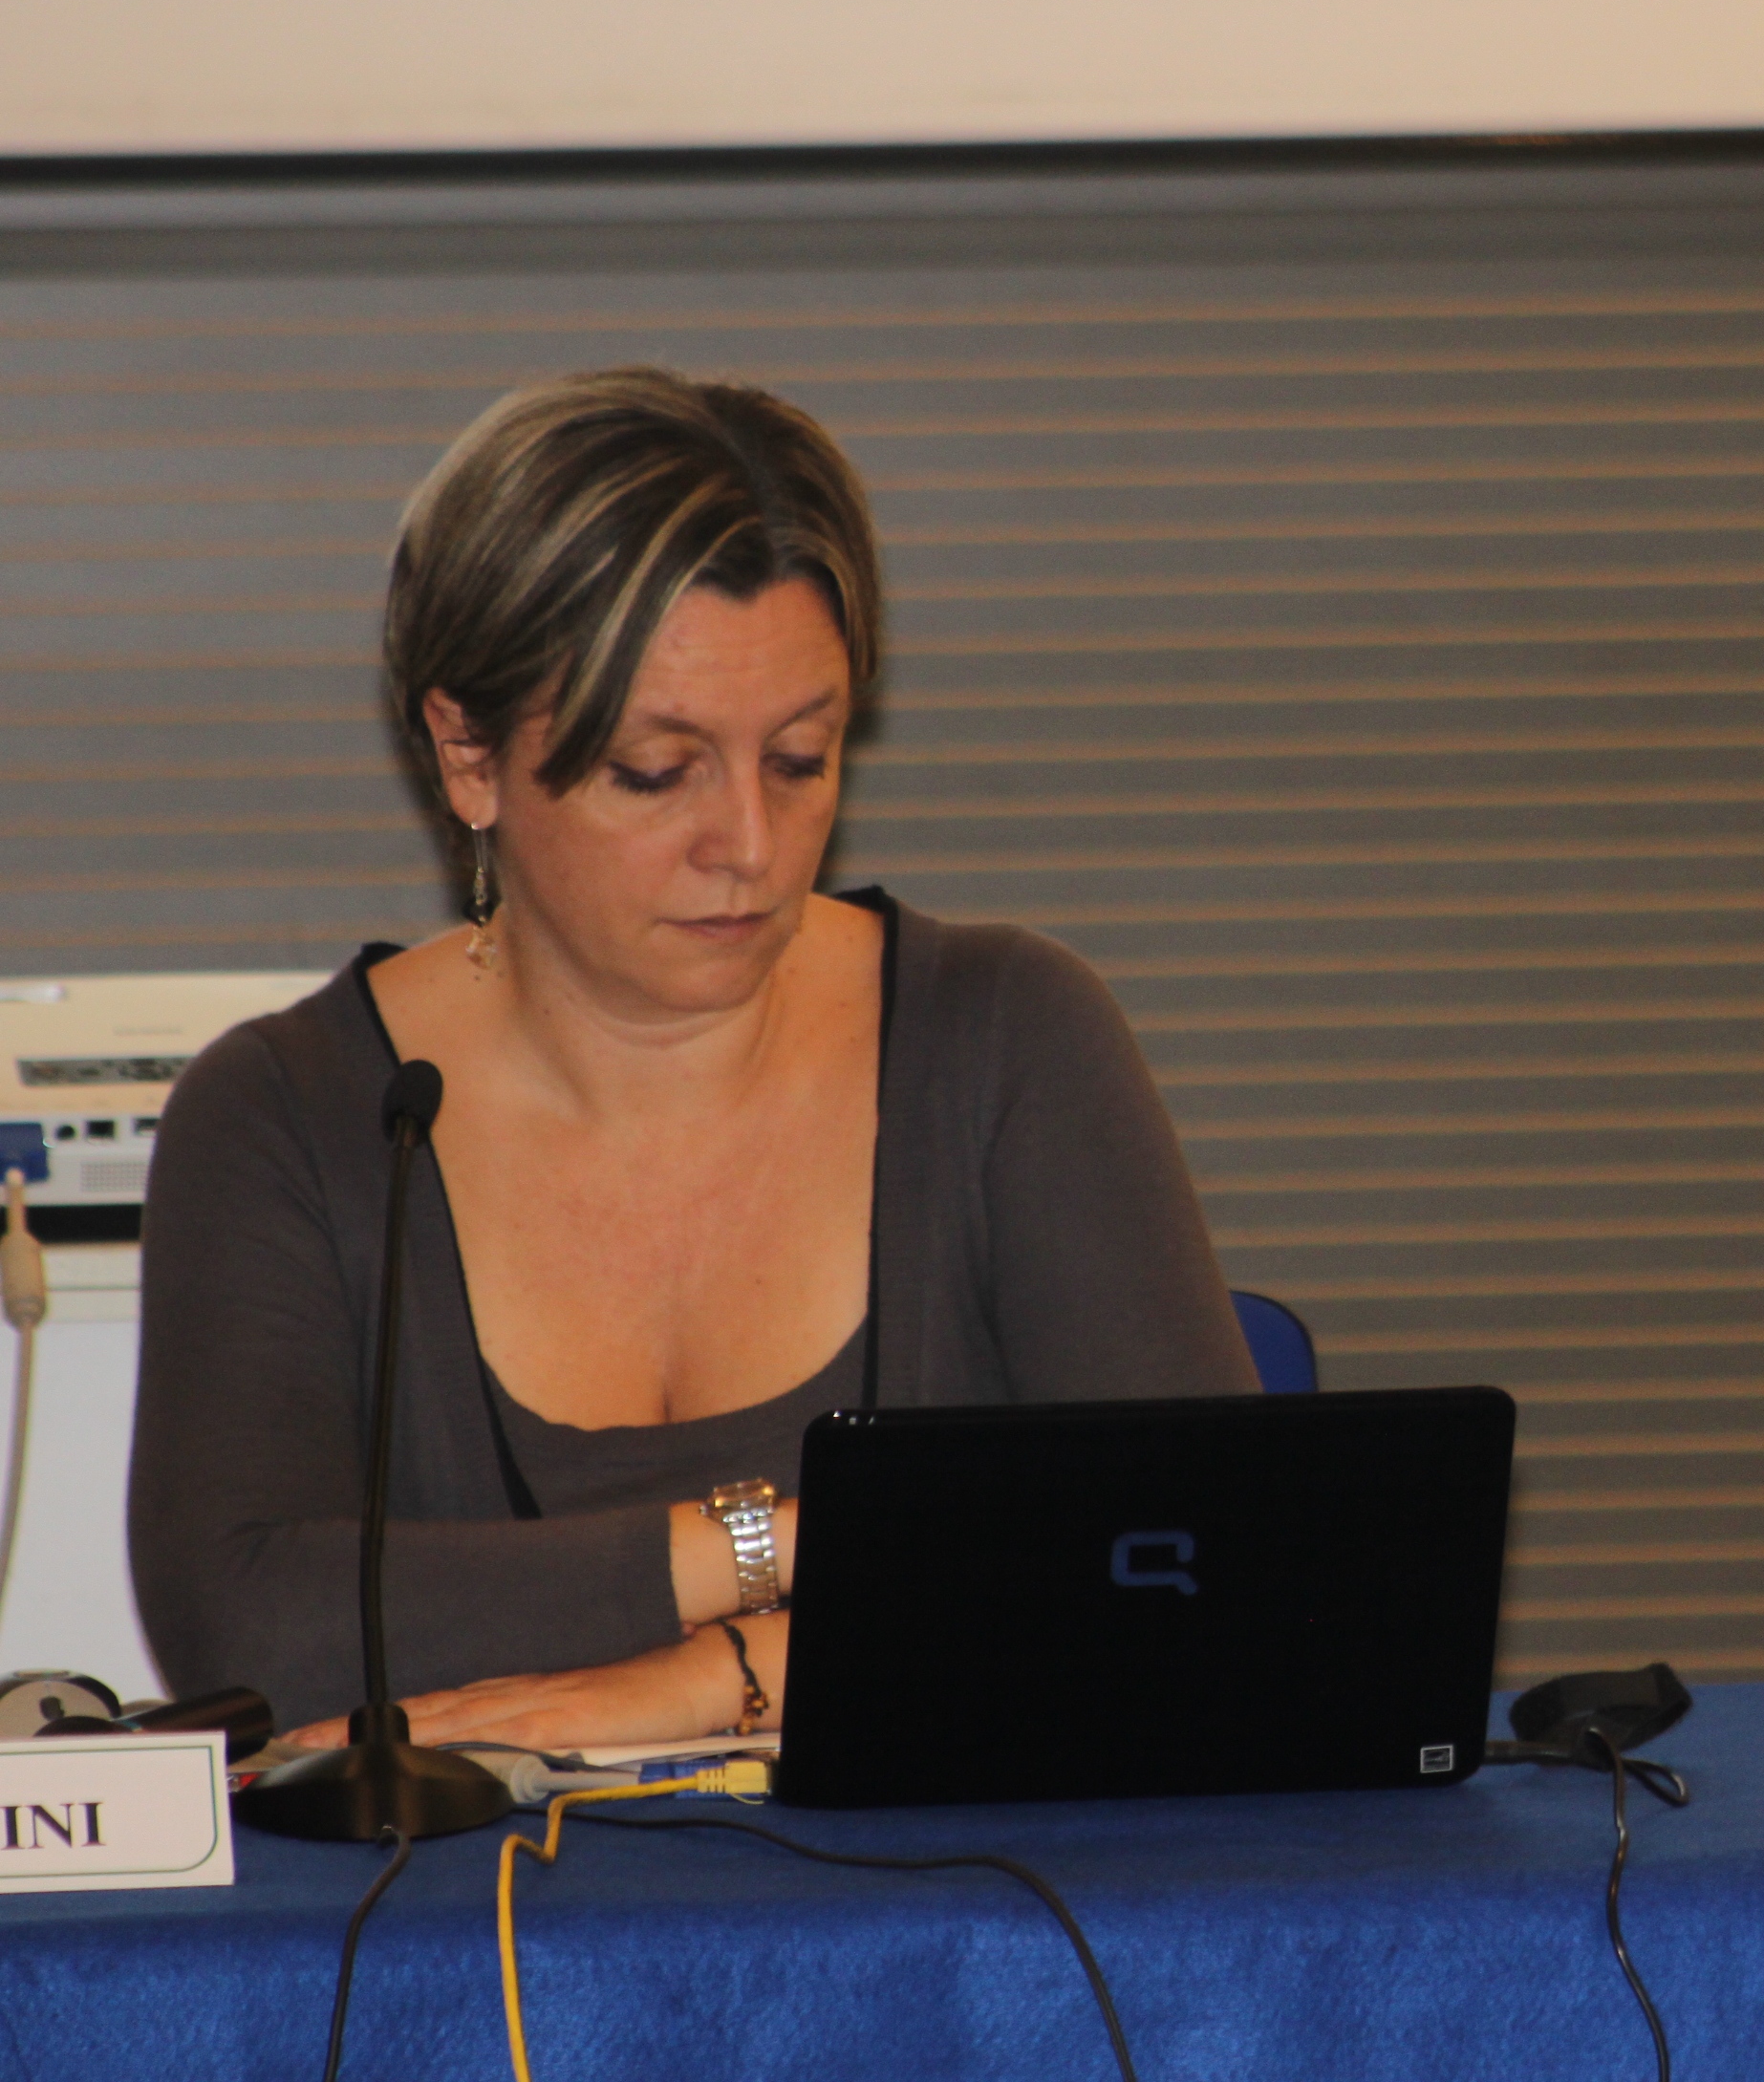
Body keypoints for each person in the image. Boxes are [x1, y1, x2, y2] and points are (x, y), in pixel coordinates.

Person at [131, 368, 1258, 1746]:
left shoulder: (1009, 1035)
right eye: (657, 772)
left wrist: (702, 1680)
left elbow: (1207, 1562)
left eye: (801, 758)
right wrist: (791, 1546)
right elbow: (251, 1632)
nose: (752, 848)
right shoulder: (287, 1116)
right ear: (468, 755)